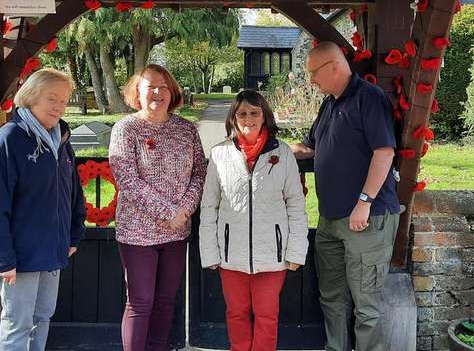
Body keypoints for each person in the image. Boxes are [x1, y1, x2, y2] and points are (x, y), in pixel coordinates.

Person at [290, 42, 400, 351]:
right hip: (331, 220)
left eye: (314, 72)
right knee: (332, 298)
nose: (311, 80)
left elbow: (384, 152)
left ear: (334, 66)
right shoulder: (330, 103)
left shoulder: (369, 98)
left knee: (366, 306)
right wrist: (275, 150)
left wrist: (363, 203)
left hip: (367, 218)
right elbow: (310, 147)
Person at [0, 68, 87, 351]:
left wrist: (74, 235)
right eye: (52, 98)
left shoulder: (61, 139)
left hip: (53, 250)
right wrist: (2, 258)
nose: (59, 107)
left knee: (42, 319)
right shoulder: (8, 140)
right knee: (18, 324)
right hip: (19, 256)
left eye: (63, 101)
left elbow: (73, 191)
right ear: (31, 96)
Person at [200, 90, 308, 351]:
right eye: (242, 113)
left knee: (267, 316)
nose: (248, 118)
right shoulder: (220, 154)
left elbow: (295, 203)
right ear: (233, 118)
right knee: (235, 314)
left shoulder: (282, 154)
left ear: (264, 117)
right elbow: (209, 205)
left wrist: (295, 250)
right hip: (230, 254)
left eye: (254, 112)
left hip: (272, 254)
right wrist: (210, 253)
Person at [109, 64, 207, 351]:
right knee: (140, 302)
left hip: (176, 232)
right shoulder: (125, 129)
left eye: (164, 86)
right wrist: (168, 213)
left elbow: (199, 173)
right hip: (138, 233)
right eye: (150, 86)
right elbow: (127, 179)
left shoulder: (186, 129)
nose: (158, 92)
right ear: (136, 92)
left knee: (166, 302)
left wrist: (184, 211)